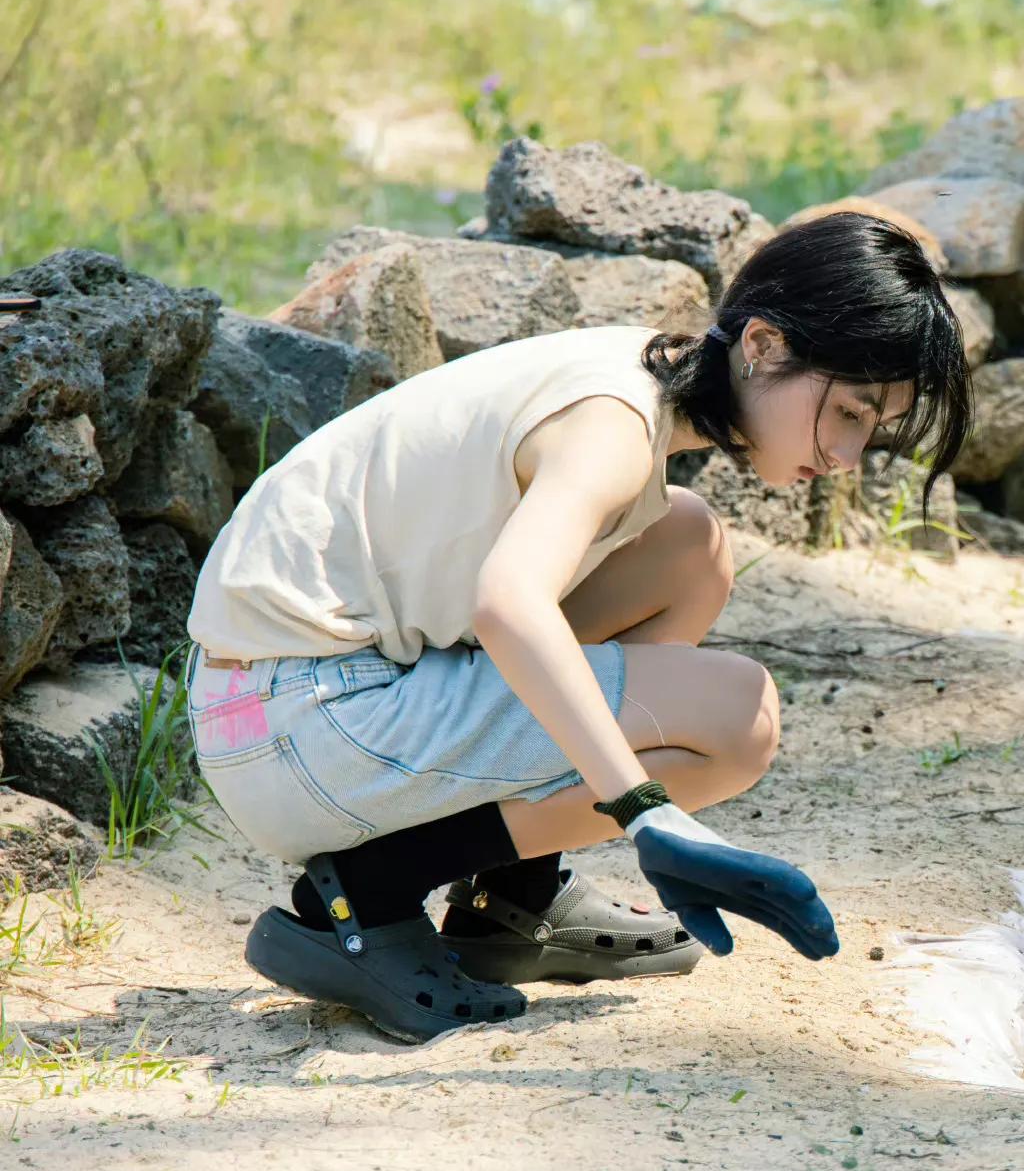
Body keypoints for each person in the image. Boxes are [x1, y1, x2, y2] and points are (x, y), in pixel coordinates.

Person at [182, 211, 970, 1042]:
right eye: (850, 411)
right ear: (765, 346)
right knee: (741, 721)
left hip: (270, 705)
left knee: (688, 549)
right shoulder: (612, 425)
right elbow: (508, 603)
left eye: (870, 430)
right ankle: (365, 893)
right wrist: (642, 811)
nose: (848, 457)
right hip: (302, 727)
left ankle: (508, 900)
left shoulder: (636, 379)